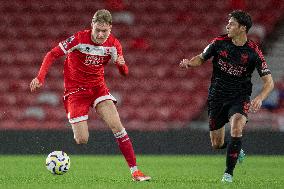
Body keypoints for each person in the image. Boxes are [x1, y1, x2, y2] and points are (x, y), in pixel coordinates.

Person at [30, 9, 151, 182]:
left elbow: (125, 72)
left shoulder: (114, 45)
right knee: (81, 139)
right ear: (92, 26)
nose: (101, 34)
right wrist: (40, 77)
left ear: (110, 28)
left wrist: (121, 66)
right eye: (97, 30)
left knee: (118, 126)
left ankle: (135, 171)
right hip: (76, 92)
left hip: (98, 89)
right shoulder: (78, 39)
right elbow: (52, 54)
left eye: (105, 31)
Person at [179, 10, 274, 182]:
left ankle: (228, 174)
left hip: (240, 97)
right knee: (217, 144)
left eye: (231, 23)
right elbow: (201, 58)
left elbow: (269, 82)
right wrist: (189, 63)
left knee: (237, 128)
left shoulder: (253, 51)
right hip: (217, 97)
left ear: (242, 28)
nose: (227, 26)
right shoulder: (218, 43)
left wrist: (259, 98)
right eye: (228, 23)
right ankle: (236, 149)